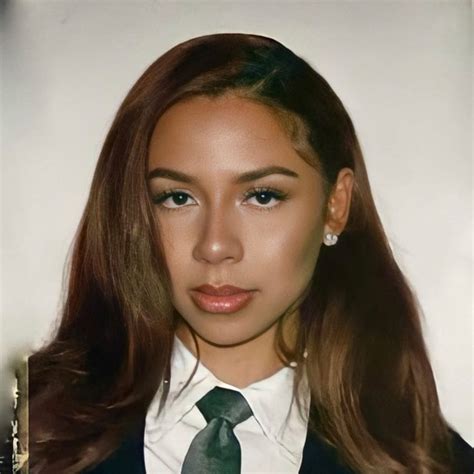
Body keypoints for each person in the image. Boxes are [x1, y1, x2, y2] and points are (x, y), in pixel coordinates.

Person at [24, 33, 472, 473]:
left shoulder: (433, 464)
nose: (215, 246)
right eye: (178, 198)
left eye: (262, 196)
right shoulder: (25, 434)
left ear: (336, 205)